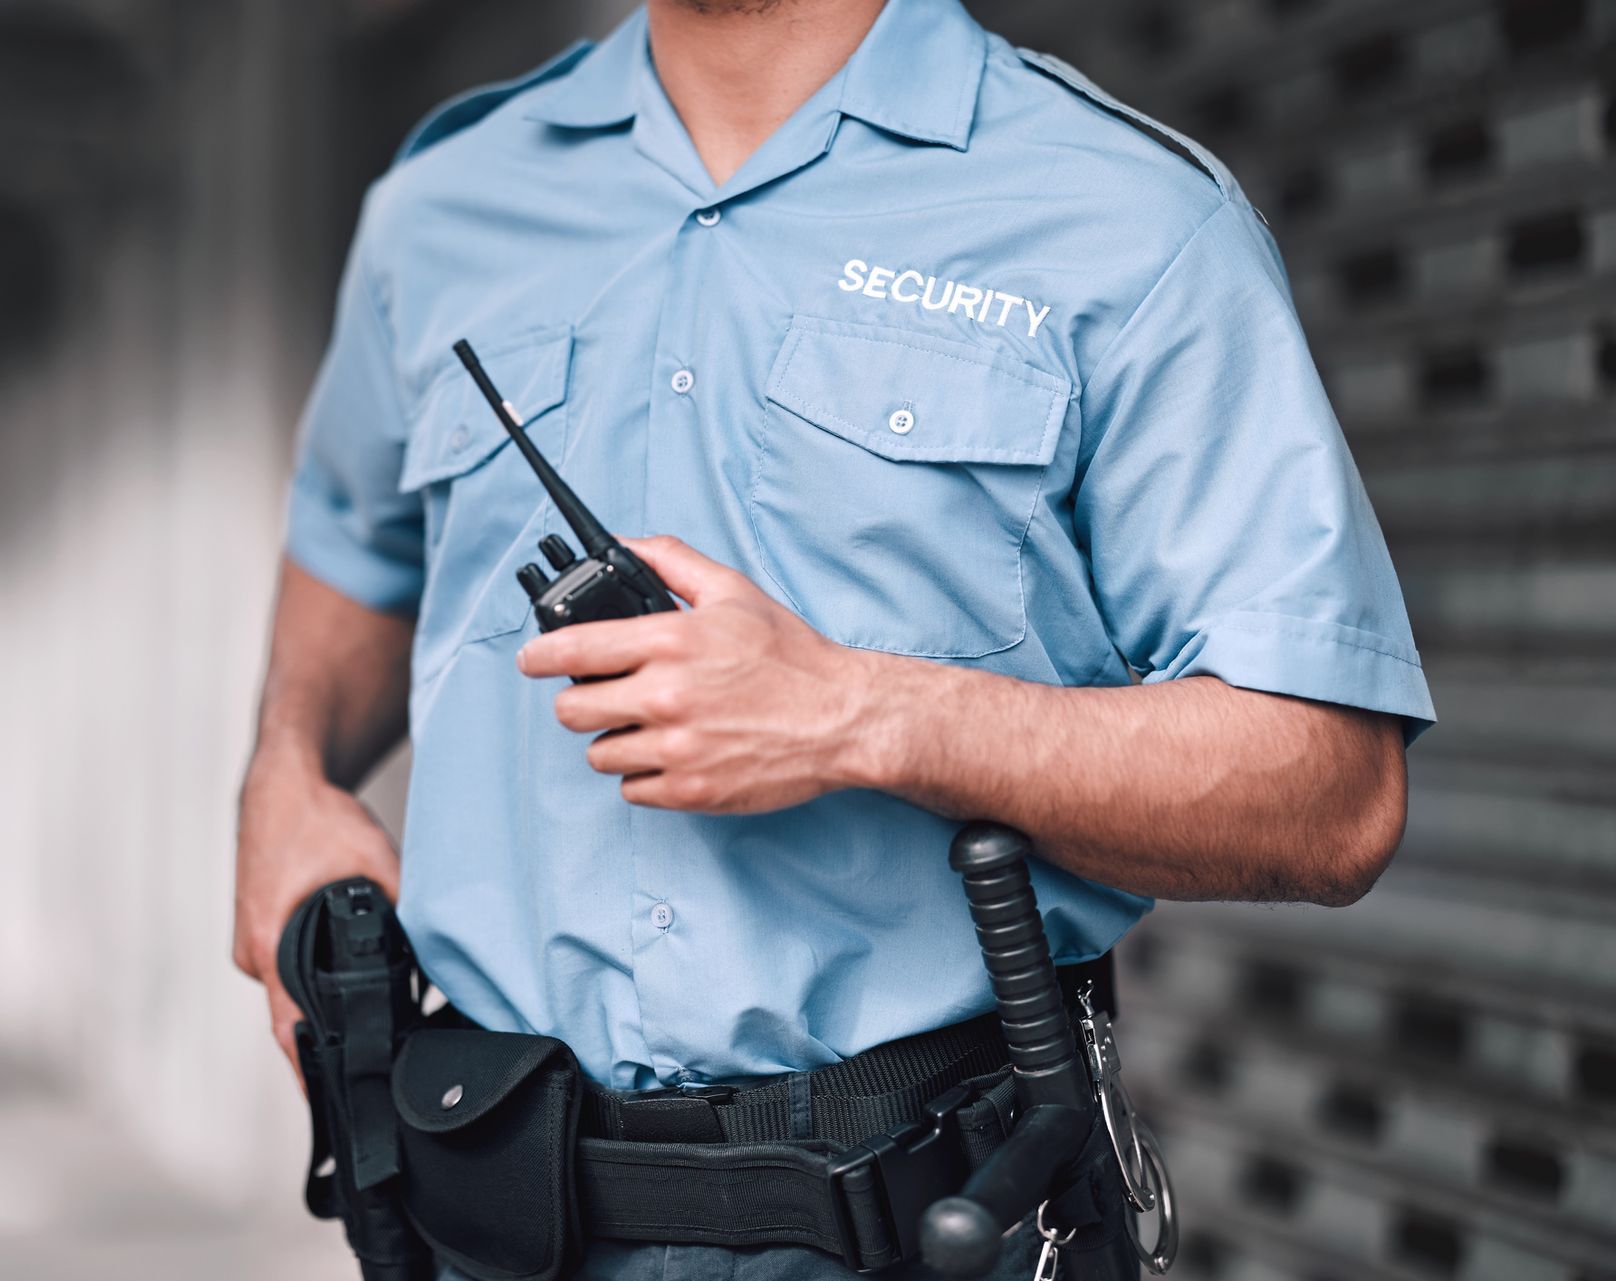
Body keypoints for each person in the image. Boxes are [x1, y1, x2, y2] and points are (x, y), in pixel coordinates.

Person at [234, 0, 1436, 1276]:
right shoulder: (445, 204)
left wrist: (863, 715)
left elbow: (1333, 796)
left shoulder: (1132, 221)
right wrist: (285, 771)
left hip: (925, 1221)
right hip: (488, 1202)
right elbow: (356, 552)